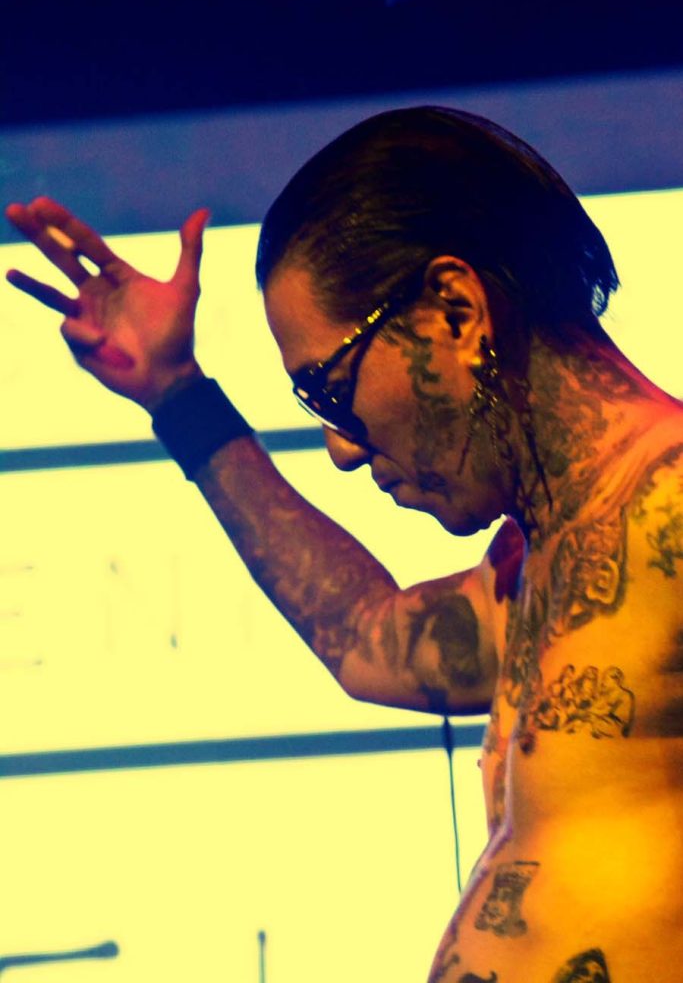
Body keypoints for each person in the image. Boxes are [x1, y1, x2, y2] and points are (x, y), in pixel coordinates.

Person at [6, 106, 682, 983]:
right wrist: (178, 396)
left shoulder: (669, 507)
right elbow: (369, 638)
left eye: (330, 391)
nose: (341, 447)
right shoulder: (540, 562)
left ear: (454, 311)